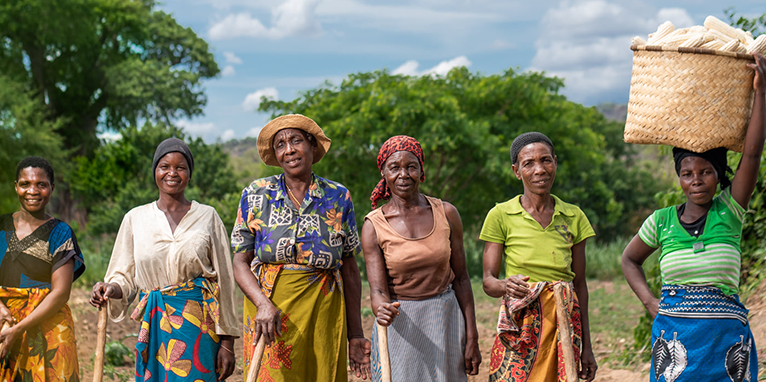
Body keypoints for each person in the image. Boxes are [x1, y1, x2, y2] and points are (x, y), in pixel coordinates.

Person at [622, 53, 766, 382]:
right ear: (679, 179)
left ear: (718, 176)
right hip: (676, 341)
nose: (696, 179)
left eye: (705, 172)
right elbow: (629, 260)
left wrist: (760, 91)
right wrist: (649, 301)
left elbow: (753, 152)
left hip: (725, 341)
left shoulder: (729, 211)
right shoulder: (661, 222)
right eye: (687, 173)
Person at [230, 114, 371, 381]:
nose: (289, 149)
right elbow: (240, 262)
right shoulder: (257, 194)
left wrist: (356, 334)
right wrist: (262, 304)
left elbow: (350, 269)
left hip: (323, 311)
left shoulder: (337, 196)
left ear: (312, 145)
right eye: (280, 144)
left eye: (296, 140)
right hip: (270, 311)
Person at [90, 138, 240, 382]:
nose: (172, 173)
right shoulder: (135, 219)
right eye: (164, 166)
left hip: (199, 325)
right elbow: (124, 277)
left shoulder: (207, 216)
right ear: (155, 172)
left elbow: (225, 280)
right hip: (154, 323)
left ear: (189, 174)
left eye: (180, 167)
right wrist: (110, 288)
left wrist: (227, 343)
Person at [480, 131, 598, 382]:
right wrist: (505, 285)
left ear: (555, 162)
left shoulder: (573, 216)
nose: (540, 169)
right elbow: (488, 282)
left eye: (546, 160)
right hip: (522, 323)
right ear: (516, 171)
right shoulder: (500, 215)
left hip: (564, 322)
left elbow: (580, 285)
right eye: (528, 163)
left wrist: (587, 347)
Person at [361, 135, 481, 381]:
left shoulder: (446, 213)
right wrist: (380, 309)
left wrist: (472, 337)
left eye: (411, 166)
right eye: (394, 167)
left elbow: (462, 280)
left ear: (421, 170)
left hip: (444, 316)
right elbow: (378, 291)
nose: (403, 174)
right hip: (401, 322)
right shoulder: (374, 225)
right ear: (383, 172)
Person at [0, 156, 85, 381]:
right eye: (25, 184)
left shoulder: (60, 233)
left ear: (52, 188)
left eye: (41, 184)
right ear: (16, 187)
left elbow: (60, 293)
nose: (32, 191)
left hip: (49, 331)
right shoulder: (0, 228)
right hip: (8, 326)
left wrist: (19, 329)